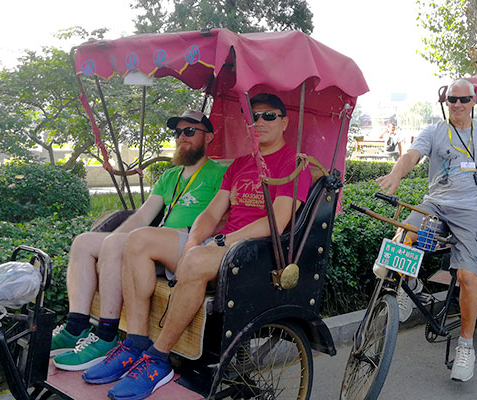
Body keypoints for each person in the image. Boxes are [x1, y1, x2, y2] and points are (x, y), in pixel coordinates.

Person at [82, 93, 311, 400]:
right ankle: (135, 342)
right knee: (137, 241)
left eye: (268, 116)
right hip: (219, 248)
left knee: (198, 259)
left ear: (284, 122)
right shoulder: (242, 164)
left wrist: (220, 242)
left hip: (256, 254)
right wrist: (192, 242)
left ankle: (158, 358)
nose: (259, 122)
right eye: (253, 117)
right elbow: (212, 213)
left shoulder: (293, 165)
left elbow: (277, 222)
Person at [376, 79, 477, 382]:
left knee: (466, 275)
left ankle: (466, 345)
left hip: (474, 210)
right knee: (405, 233)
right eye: (452, 100)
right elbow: (411, 156)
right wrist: (396, 173)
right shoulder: (434, 131)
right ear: (445, 102)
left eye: (463, 99)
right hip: (436, 203)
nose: (457, 104)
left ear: (474, 101)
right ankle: (410, 285)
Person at [51, 110, 226, 371]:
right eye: (178, 133)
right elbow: (143, 216)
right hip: (155, 242)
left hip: (193, 243)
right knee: (85, 243)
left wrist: (120, 245)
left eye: (190, 131)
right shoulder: (170, 177)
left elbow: (221, 218)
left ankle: (107, 336)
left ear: (208, 137)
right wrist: (113, 243)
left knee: (119, 244)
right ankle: (76, 325)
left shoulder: (219, 173)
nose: (181, 137)